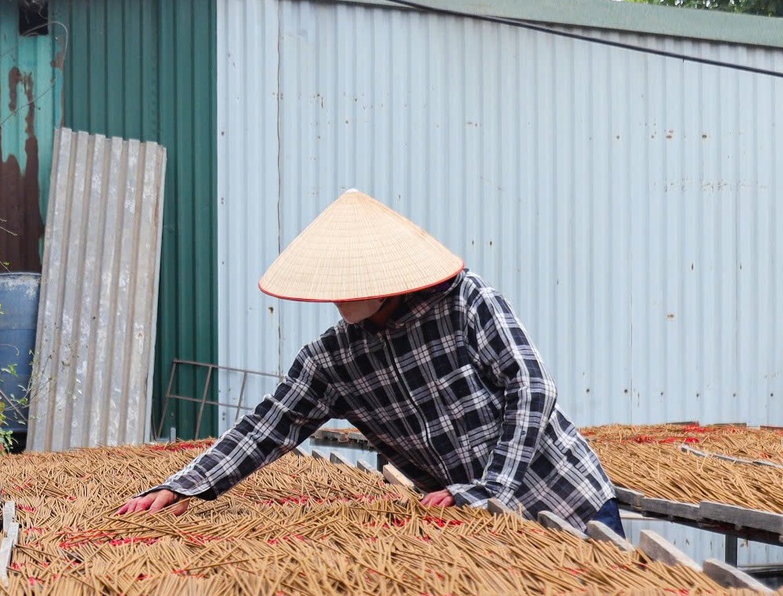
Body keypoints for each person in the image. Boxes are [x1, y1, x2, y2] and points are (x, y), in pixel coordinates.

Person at [118, 190, 619, 532]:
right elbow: (267, 426)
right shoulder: (333, 360)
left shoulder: (465, 301)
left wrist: (493, 488)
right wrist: (184, 486)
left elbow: (531, 388)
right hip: (479, 527)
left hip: (567, 501)